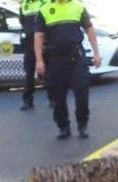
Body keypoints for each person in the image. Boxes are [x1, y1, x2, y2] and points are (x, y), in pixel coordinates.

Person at [34, 0, 101, 139]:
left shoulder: (78, 7)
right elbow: (38, 36)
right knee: (58, 96)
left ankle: (82, 124)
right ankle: (63, 127)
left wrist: (96, 53)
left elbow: (89, 29)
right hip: (56, 60)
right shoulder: (44, 9)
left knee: (82, 90)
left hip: (76, 57)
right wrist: (39, 60)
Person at [19, 0, 46, 110]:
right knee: (29, 72)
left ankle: (54, 98)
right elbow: (22, 22)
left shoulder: (45, 2)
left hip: (44, 42)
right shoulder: (23, 4)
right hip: (29, 43)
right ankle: (28, 100)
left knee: (49, 71)